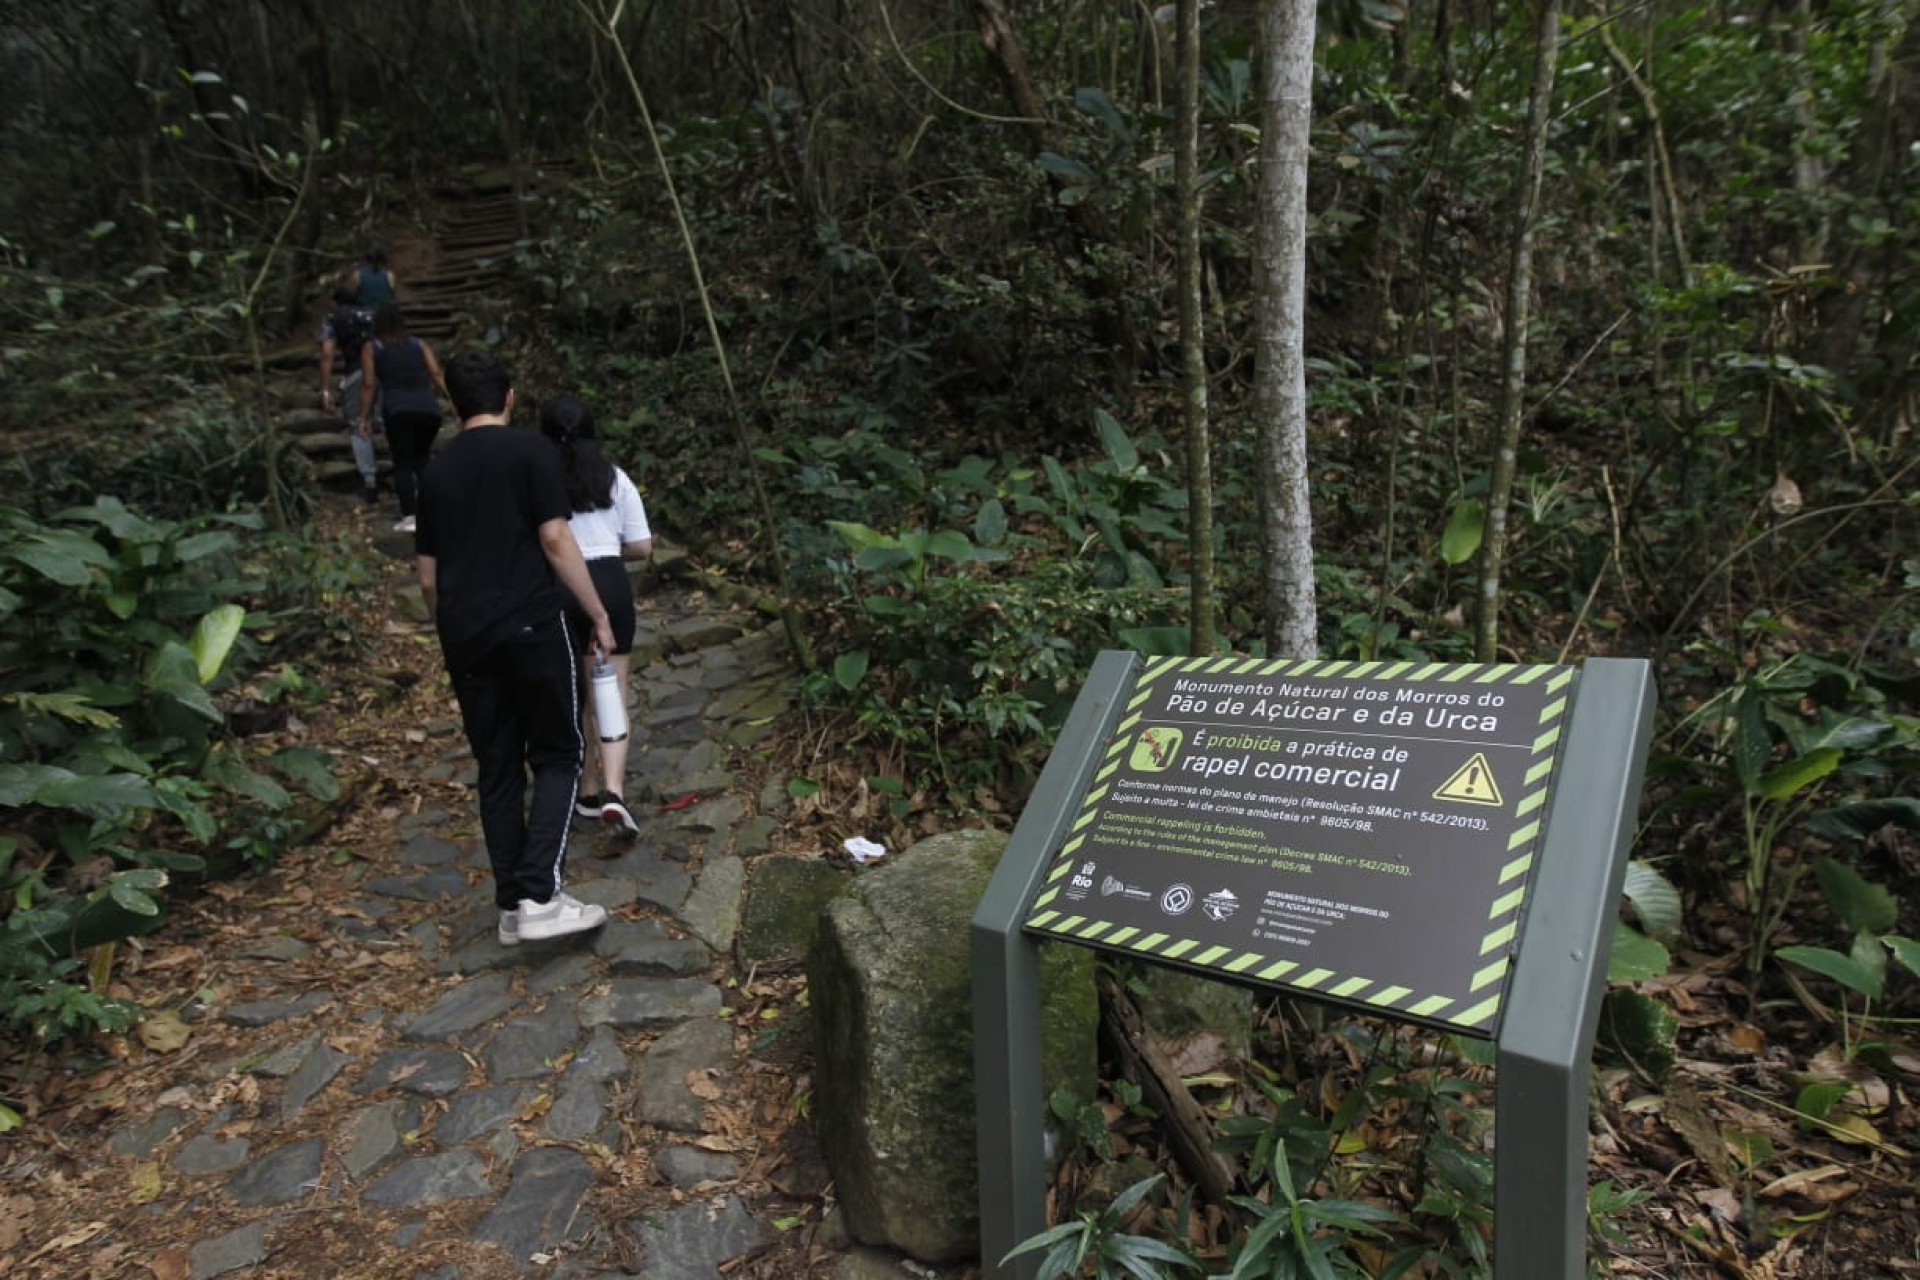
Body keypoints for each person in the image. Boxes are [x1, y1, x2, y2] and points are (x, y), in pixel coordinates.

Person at [415, 351, 615, 946]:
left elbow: (427, 576)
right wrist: (598, 613)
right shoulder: (532, 452)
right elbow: (555, 538)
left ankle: (512, 905)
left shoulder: (436, 472)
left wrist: (448, 630)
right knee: (559, 753)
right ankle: (539, 897)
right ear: (509, 397)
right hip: (532, 624)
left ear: (453, 404)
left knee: (498, 767)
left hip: (466, 637)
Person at [538, 396, 653, 833]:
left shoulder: (538, 478)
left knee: (574, 693)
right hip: (609, 581)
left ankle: (583, 788)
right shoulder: (615, 478)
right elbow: (642, 546)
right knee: (611, 688)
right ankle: (614, 790)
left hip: (559, 583)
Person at [359, 303, 447, 533]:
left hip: (398, 410)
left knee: (403, 463)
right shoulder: (418, 344)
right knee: (422, 460)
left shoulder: (372, 348)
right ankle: (433, 511)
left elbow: (368, 384)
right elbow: (436, 373)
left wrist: (363, 417)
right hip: (428, 410)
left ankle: (410, 515)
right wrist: (452, 400)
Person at [317, 282, 380, 505]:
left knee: (358, 423)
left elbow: (327, 352)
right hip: (387, 370)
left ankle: (370, 482)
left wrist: (325, 389)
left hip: (358, 372)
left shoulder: (334, 318)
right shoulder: (374, 313)